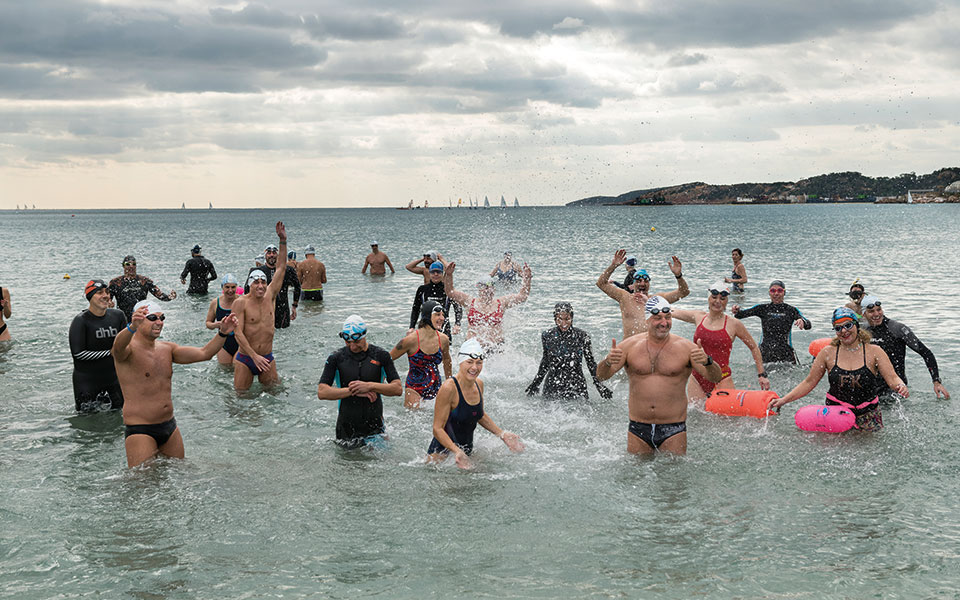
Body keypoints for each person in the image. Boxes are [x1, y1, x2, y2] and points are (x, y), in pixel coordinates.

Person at [113, 300, 238, 467]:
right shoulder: (128, 351)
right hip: (140, 430)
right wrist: (131, 328)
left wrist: (222, 333)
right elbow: (117, 349)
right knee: (143, 487)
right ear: (138, 319)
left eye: (162, 317)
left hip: (170, 427)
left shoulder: (167, 349)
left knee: (180, 476)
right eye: (153, 318)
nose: (159, 322)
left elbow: (204, 353)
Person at [596, 296, 723, 455]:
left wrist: (708, 361)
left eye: (668, 317)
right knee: (636, 476)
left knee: (674, 476)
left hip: (673, 428)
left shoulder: (687, 348)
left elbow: (716, 378)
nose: (664, 322)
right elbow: (601, 376)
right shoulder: (629, 346)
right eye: (658, 318)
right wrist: (607, 362)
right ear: (648, 320)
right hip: (638, 427)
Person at [769, 307, 908, 432]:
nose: (844, 331)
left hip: (868, 413)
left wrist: (900, 385)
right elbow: (809, 382)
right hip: (835, 412)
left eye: (848, 325)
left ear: (857, 325)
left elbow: (892, 378)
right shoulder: (827, 353)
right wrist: (783, 400)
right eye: (838, 328)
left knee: (868, 454)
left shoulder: (874, 352)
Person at [427, 338, 525, 468]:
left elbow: (478, 414)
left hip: (465, 453)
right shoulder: (449, 388)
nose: (474, 367)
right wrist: (457, 451)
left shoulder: (479, 384)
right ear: (460, 362)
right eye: (470, 362)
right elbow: (437, 429)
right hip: (442, 458)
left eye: (479, 363)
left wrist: (502, 434)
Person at [317, 315, 402, 449]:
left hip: (375, 429)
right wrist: (353, 391)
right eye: (348, 342)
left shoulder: (381, 355)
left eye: (356, 342)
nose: (352, 346)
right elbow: (322, 392)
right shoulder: (336, 358)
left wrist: (369, 386)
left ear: (364, 336)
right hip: (346, 431)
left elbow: (397, 389)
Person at [670, 282, 770, 398]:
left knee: (725, 416)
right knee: (696, 414)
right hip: (697, 377)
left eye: (722, 298)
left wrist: (761, 374)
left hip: (722, 377)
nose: (718, 301)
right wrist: (650, 303)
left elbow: (753, 347)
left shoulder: (734, 324)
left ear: (727, 301)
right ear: (708, 298)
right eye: (714, 297)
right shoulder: (698, 317)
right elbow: (672, 311)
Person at [232, 222, 288, 391]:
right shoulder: (241, 302)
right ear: (250, 285)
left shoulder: (270, 296)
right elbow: (237, 332)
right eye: (256, 282)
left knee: (274, 397)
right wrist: (254, 356)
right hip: (246, 358)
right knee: (241, 400)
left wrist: (283, 241)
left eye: (263, 282)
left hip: (267, 358)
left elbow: (281, 267)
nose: (261, 286)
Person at [861, 295, 950, 400]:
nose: (876, 314)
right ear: (864, 314)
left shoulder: (897, 329)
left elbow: (926, 353)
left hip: (896, 389)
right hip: (871, 389)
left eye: (879, 309)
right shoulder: (862, 331)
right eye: (871, 311)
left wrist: (936, 382)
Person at [526, 302, 612, 401]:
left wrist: (599, 385)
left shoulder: (582, 336)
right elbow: (545, 361)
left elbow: (590, 363)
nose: (563, 324)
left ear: (572, 318)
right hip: (553, 384)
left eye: (567, 319)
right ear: (555, 319)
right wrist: (536, 383)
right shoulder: (547, 336)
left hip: (576, 384)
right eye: (560, 319)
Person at [597, 249, 689, 337]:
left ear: (649, 284)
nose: (642, 283)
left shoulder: (657, 299)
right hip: (630, 349)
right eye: (638, 281)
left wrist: (678, 275)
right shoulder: (624, 297)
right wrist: (613, 266)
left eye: (645, 281)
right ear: (633, 284)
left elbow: (683, 292)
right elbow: (601, 284)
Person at [443, 261, 532, 350]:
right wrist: (449, 275)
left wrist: (527, 279)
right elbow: (450, 292)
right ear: (478, 289)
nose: (487, 290)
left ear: (494, 289)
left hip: (496, 347)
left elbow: (522, 296)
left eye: (489, 287)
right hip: (472, 348)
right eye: (483, 287)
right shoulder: (470, 302)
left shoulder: (501, 302)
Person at [69, 280, 127, 411]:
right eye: (99, 293)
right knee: (88, 423)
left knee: (119, 418)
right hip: (87, 382)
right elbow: (78, 354)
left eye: (107, 292)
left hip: (114, 379)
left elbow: (127, 344)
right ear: (90, 297)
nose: (105, 295)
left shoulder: (118, 316)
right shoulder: (81, 321)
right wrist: (110, 352)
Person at [391, 300, 453, 409]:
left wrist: (449, 383)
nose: (442, 318)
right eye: (438, 314)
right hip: (414, 389)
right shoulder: (410, 340)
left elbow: (447, 361)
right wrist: (391, 381)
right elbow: (387, 359)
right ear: (427, 316)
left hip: (436, 387)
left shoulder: (443, 339)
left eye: (443, 315)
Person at [731, 280, 811, 364]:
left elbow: (808, 325)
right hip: (765, 351)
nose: (776, 293)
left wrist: (802, 321)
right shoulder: (763, 308)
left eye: (779, 290)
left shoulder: (791, 310)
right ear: (769, 293)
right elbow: (740, 315)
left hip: (785, 353)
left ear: (784, 293)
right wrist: (736, 310)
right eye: (773, 290)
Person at [245, 242, 300, 329]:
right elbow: (247, 289)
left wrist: (294, 306)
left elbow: (297, 286)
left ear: (278, 255)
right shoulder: (257, 271)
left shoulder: (288, 270)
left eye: (274, 253)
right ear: (265, 255)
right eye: (269, 253)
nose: (271, 255)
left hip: (283, 311)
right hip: (262, 310)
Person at [108, 255, 177, 322]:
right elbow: (107, 299)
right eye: (128, 264)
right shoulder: (115, 282)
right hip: (123, 319)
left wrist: (170, 297)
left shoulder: (144, 281)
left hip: (141, 317)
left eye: (133, 264)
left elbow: (160, 295)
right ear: (123, 266)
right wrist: (109, 304)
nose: (131, 266)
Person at [409, 261, 462, 338]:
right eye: (433, 272)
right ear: (429, 274)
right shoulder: (422, 289)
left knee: (445, 348)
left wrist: (457, 324)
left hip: (444, 327)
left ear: (442, 274)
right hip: (425, 327)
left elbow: (458, 307)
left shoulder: (447, 290)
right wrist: (412, 327)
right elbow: (415, 309)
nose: (435, 274)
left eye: (438, 272)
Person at [204, 274, 241, 366]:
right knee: (225, 372)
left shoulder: (242, 301)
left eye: (233, 287)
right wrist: (218, 324)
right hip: (223, 344)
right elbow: (208, 323)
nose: (230, 290)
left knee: (237, 370)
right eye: (227, 287)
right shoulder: (215, 303)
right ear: (222, 288)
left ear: (237, 287)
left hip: (240, 343)